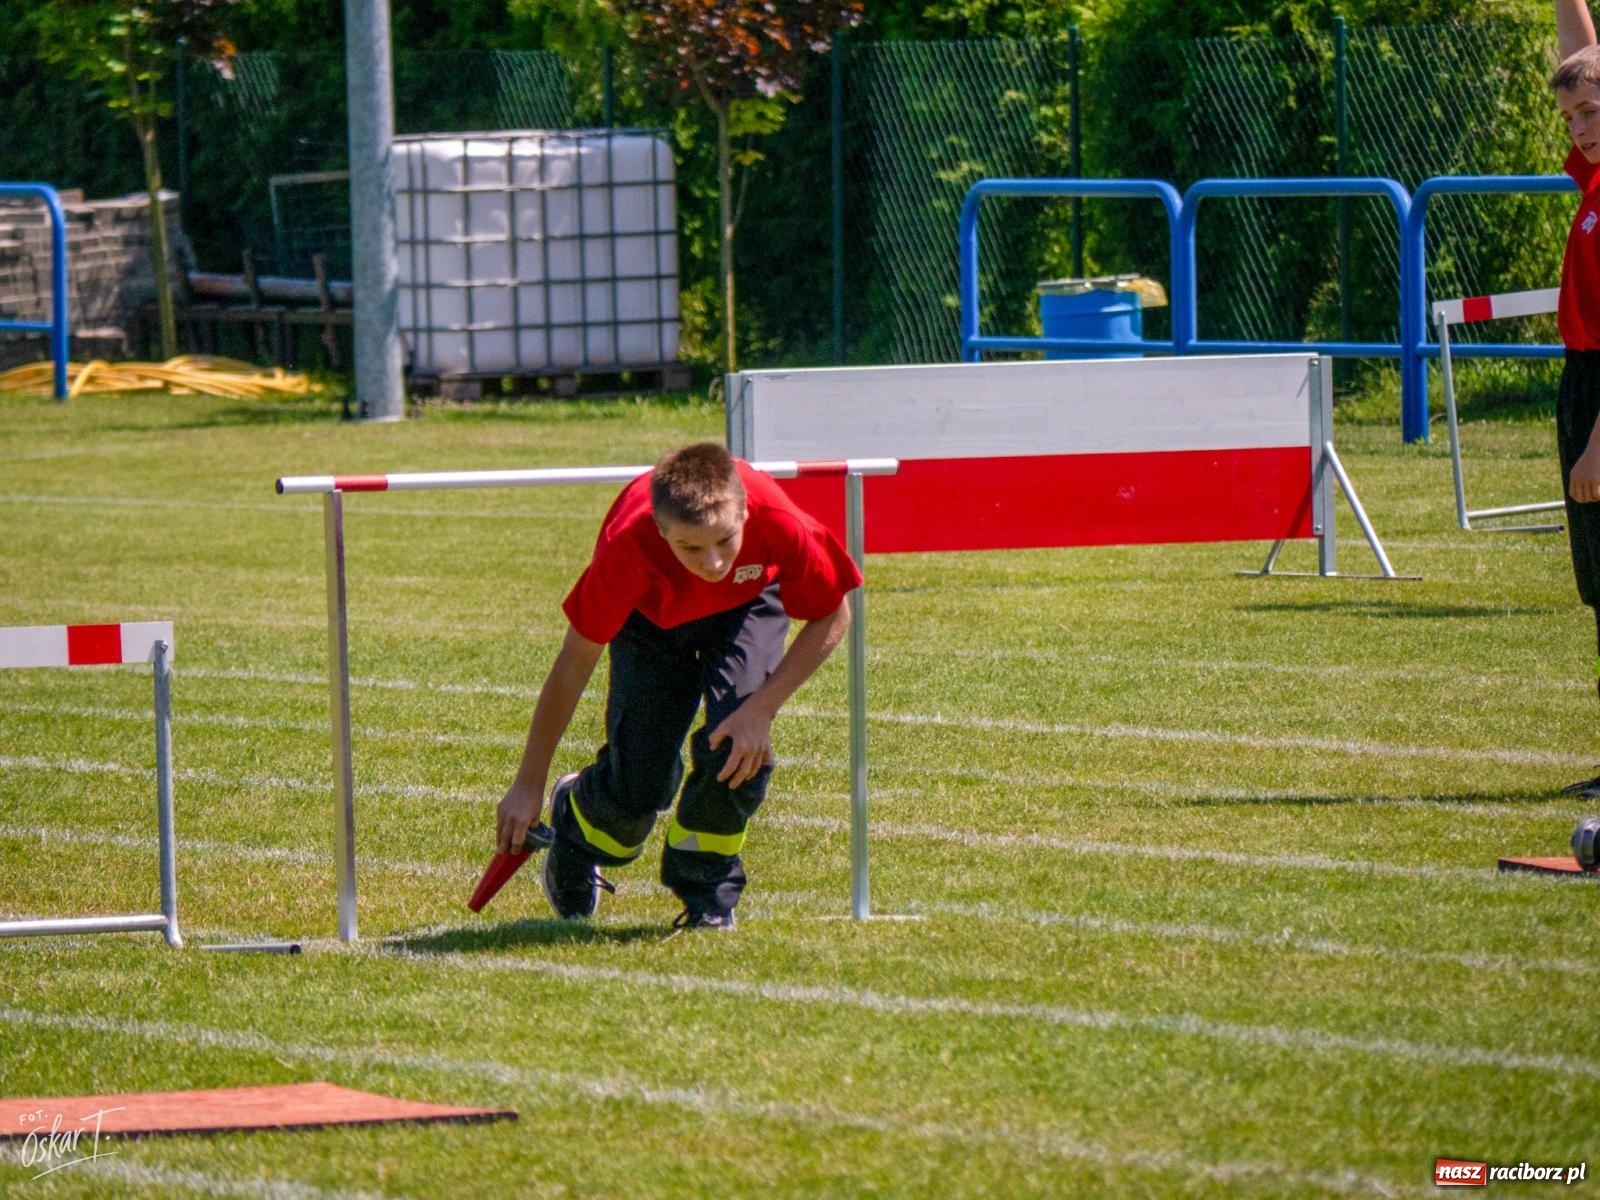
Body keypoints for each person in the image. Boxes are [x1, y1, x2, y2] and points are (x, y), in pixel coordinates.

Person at [494, 442, 861, 930]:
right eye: (690, 547)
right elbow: (572, 666)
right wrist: (528, 784)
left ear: (746, 513)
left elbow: (833, 613)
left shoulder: (777, 517)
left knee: (740, 749)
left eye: (725, 540)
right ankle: (577, 829)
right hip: (650, 623)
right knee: (637, 791)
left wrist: (761, 710)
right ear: (660, 529)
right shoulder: (627, 546)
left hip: (746, 606)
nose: (712, 563)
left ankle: (709, 895)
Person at [1553, 0, 1600, 795]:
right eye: (1570, 117)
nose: (1579, 127)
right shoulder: (1595, 172)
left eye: (1590, 114)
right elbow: (1584, 54)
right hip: (1583, 382)